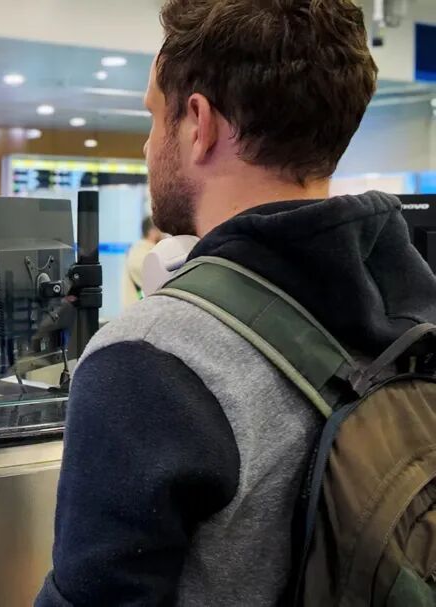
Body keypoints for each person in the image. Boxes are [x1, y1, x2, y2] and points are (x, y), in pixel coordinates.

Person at [35, 1, 436, 605]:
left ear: (199, 123)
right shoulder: (414, 314)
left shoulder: (149, 357)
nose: (147, 145)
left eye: (154, 116)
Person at [120, 216, 163, 308]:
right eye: (160, 230)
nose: (163, 234)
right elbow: (156, 285)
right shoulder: (141, 254)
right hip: (138, 312)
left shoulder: (141, 251)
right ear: (152, 232)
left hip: (141, 311)